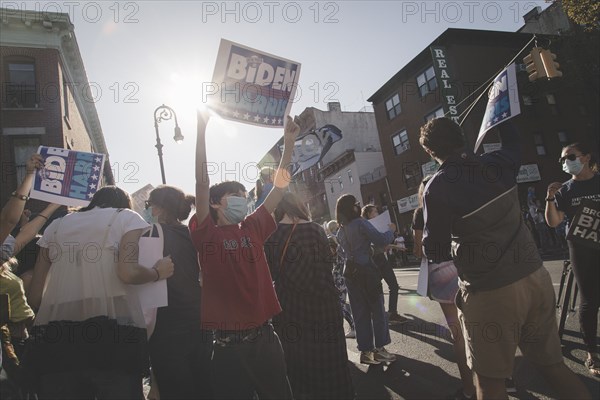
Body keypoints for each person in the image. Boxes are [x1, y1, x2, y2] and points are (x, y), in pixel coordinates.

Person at [419, 117, 590, 399]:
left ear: (430, 152)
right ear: (461, 138)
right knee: (553, 368)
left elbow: (434, 251)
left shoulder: (436, 188)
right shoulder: (497, 161)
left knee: (489, 382)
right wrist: (500, 110)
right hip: (535, 277)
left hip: (489, 292)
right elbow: (514, 141)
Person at [189, 110, 299, 399]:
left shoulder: (253, 226)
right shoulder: (206, 234)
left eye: (243, 194)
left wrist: (288, 144)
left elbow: (279, 187)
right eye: (234, 195)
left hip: (265, 339)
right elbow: (201, 184)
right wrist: (201, 131)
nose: (242, 199)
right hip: (228, 348)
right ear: (215, 204)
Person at [26, 186, 175, 400]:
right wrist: (157, 272)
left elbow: (34, 297)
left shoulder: (56, 226)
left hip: (57, 337)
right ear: (125, 204)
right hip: (113, 335)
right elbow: (128, 272)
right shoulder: (126, 217)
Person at [265, 192, 354, 399]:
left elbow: (269, 273)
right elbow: (327, 264)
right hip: (325, 304)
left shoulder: (273, 234)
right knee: (332, 362)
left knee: (299, 366)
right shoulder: (316, 230)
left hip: (291, 308)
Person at [143, 185, 213, 399]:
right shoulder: (192, 235)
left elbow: (143, 285)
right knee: (203, 388)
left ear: (159, 208)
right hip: (199, 322)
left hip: (167, 327)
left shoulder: (151, 234)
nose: (147, 210)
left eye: (148, 205)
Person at [412, 176, 475, 400]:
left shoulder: (421, 212)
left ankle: (469, 389)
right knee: (482, 324)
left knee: (457, 332)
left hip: (441, 270)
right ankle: (504, 380)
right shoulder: (460, 201)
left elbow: (418, 250)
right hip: (468, 263)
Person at [545, 142, 600, 377]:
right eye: (563, 159)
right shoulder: (565, 190)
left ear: (586, 157)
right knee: (589, 301)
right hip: (581, 248)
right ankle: (592, 353)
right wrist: (549, 198)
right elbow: (554, 222)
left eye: (570, 156)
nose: (566, 162)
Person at [335, 194, 396, 365]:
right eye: (356, 204)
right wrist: (390, 230)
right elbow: (381, 239)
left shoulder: (340, 230)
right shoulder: (361, 223)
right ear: (352, 208)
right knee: (377, 309)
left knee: (359, 313)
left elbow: (341, 252)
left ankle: (366, 352)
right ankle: (381, 350)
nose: (358, 206)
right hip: (366, 271)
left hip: (350, 273)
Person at [361, 205, 407, 324]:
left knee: (393, 286)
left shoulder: (376, 227)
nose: (377, 213)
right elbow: (377, 245)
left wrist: (396, 246)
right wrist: (390, 231)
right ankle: (378, 315)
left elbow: (383, 246)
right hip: (374, 261)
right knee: (377, 289)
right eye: (375, 212)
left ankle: (392, 313)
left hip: (381, 258)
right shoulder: (366, 227)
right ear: (368, 215)